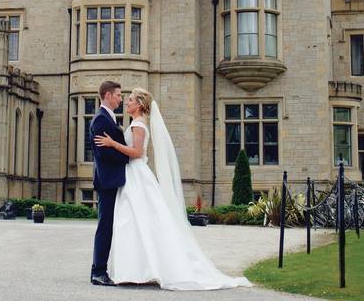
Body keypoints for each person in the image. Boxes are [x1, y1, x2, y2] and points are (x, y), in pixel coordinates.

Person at [94, 88, 252, 290]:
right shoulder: (136, 123)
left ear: (140, 105)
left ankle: (140, 270)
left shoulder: (139, 124)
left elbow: (136, 152)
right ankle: (135, 270)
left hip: (137, 174)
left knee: (136, 221)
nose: (126, 102)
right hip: (132, 176)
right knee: (134, 222)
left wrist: (112, 143)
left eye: (131, 100)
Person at [89, 80, 131, 286]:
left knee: (111, 225)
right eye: (118, 95)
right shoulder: (100, 120)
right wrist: (129, 157)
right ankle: (98, 271)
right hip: (107, 180)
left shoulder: (109, 118)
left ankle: (101, 269)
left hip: (114, 179)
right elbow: (103, 153)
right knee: (105, 226)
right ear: (107, 95)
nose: (120, 99)